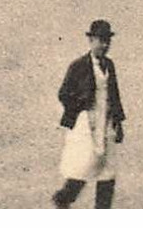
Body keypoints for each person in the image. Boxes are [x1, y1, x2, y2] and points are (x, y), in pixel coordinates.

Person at [53, 19, 125, 209]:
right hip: (85, 121)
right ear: (91, 41)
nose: (104, 45)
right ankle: (63, 199)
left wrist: (119, 122)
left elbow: (114, 95)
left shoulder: (109, 65)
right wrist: (80, 105)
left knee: (108, 170)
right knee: (84, 165)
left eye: (107, 41)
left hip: (106, 120)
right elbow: (63, 93)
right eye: (100, 40)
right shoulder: (79, 66)